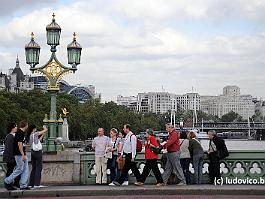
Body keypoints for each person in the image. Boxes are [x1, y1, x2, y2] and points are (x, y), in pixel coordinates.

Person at [4, 121, 29, 190]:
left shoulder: (16, 134)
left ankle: (22, 184)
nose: (16, 128)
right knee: (18, 169)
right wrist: (22, 154)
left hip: (19, 154)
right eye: (15, 127)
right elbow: (18, 145)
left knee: (22, 169)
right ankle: (8, 181)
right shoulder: (15, 134)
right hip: (17, 155)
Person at [3, 122, 20, 188]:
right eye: (15, 126)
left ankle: (13, 183)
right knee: (10, 171)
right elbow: (9, 149)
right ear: (12, 128)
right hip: (10, 157)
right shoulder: (10, 136)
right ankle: (8, 184)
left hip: (11, 157)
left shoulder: (11, 136)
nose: (16, 127)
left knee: (13, 170)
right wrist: (12, 158)